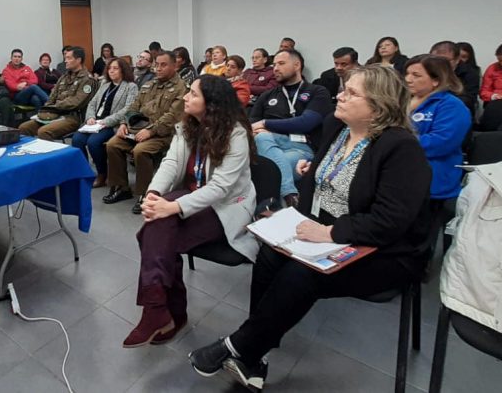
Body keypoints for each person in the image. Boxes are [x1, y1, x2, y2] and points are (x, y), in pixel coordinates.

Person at [187, 66, 432, 390]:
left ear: (379, 105)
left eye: (352, 93)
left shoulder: (400, 148)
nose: (340, 96)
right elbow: (317, 183)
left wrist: (331, 234)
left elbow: (390, 222)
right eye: (343, 89)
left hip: (382, 249)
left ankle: (238, 346)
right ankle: (253, 352)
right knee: (269, 256)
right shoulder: (337, 127)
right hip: (322, 229)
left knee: (302, 274)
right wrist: (293, 215)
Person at [122, 76, 258, 347]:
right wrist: (153, 194)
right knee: (157, 233)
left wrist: (172, 206)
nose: (186, 98)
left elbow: (220, 188)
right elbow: (171, 163)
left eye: (193, 94)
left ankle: (161, 312)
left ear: (212, 103)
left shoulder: (237, 133)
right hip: (191, 198)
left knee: (154, 236)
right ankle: (161, 311)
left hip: (224, 207)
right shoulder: (188, 126)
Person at [404, 55, 471, 259]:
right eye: (407, 73)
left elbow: (441, 142)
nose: (408, 79)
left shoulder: (452, 105)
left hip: (433, 180)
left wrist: (398, 143)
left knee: (420, 238)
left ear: (436, 80)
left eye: (416, 75)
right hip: (401, 175)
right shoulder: (403, 100)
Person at [104, 51, 187, 213]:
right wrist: (123, 123)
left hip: (164, 134)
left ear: (174, 66)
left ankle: (145, 193)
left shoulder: (181, 88)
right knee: (113, 144)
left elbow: (172, 117)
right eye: (157, 65)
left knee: (141, 150)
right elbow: (133, 107)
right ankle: (121, 188)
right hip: (138, 130)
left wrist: (150, 131)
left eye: (164, 65)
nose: (159, 68)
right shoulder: (150, 85)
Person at [248, 50, 332, 209]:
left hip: (301, 148)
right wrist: (262, 128)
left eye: (281, 63)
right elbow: (252, 123)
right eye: (274, 65)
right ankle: (290, 196)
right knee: (262, 142)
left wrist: (267, 124)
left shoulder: (317, 91)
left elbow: (306, 123)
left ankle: (270, 213)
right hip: (267, 146)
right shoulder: (267, 95)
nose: (275, 69)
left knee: (269, 170)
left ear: (297, 65)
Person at [72, 58, 138, 187]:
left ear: (123, 70)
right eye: (109, 68)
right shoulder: (105, 85)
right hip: (95, 122)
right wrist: (90, 117)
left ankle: (102, 173)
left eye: (115, 68)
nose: (111, 71)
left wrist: (106, 121)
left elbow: (129, 108)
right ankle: (85, 172)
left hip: (112, 124)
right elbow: (92, 103)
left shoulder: (131, 86)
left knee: (93, 142)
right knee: (77, 140)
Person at [18, 47, 97, 140]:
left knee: (44, 132)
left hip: (72, 117)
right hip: (55, 113)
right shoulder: (64, 77)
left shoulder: (87, 79)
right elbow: (52, 96)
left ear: (78, 60)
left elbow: (76, 101)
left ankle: (51, 154)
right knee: (23, 128)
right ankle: (31, 153)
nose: (65, 61)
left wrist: (55, 107)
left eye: (69, 58)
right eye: (65, 58)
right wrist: (48, 108)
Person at [430, 41, 480, 117]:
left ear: (457, 60)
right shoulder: (427, 70)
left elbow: (469, 100)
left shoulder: (470, 73)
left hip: (456, 112)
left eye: (444, 61)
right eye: (434, 60)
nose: (438, 64)